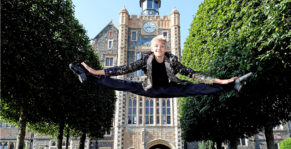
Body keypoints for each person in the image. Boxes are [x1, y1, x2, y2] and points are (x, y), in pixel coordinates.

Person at [70, 35, 252, 98]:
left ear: (166, 48)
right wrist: (96, 70)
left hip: (171, 89)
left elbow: (193, 74)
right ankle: (88, 76)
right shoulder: (144, 60)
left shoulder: (172, 60)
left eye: (162, 46)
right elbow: (122, 69)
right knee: (124, 84)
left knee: (197, 88)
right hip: (149, 89)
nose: (159, 49)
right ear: (152, 48)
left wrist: (221, 80)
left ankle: (232, 85)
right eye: (156, 46)